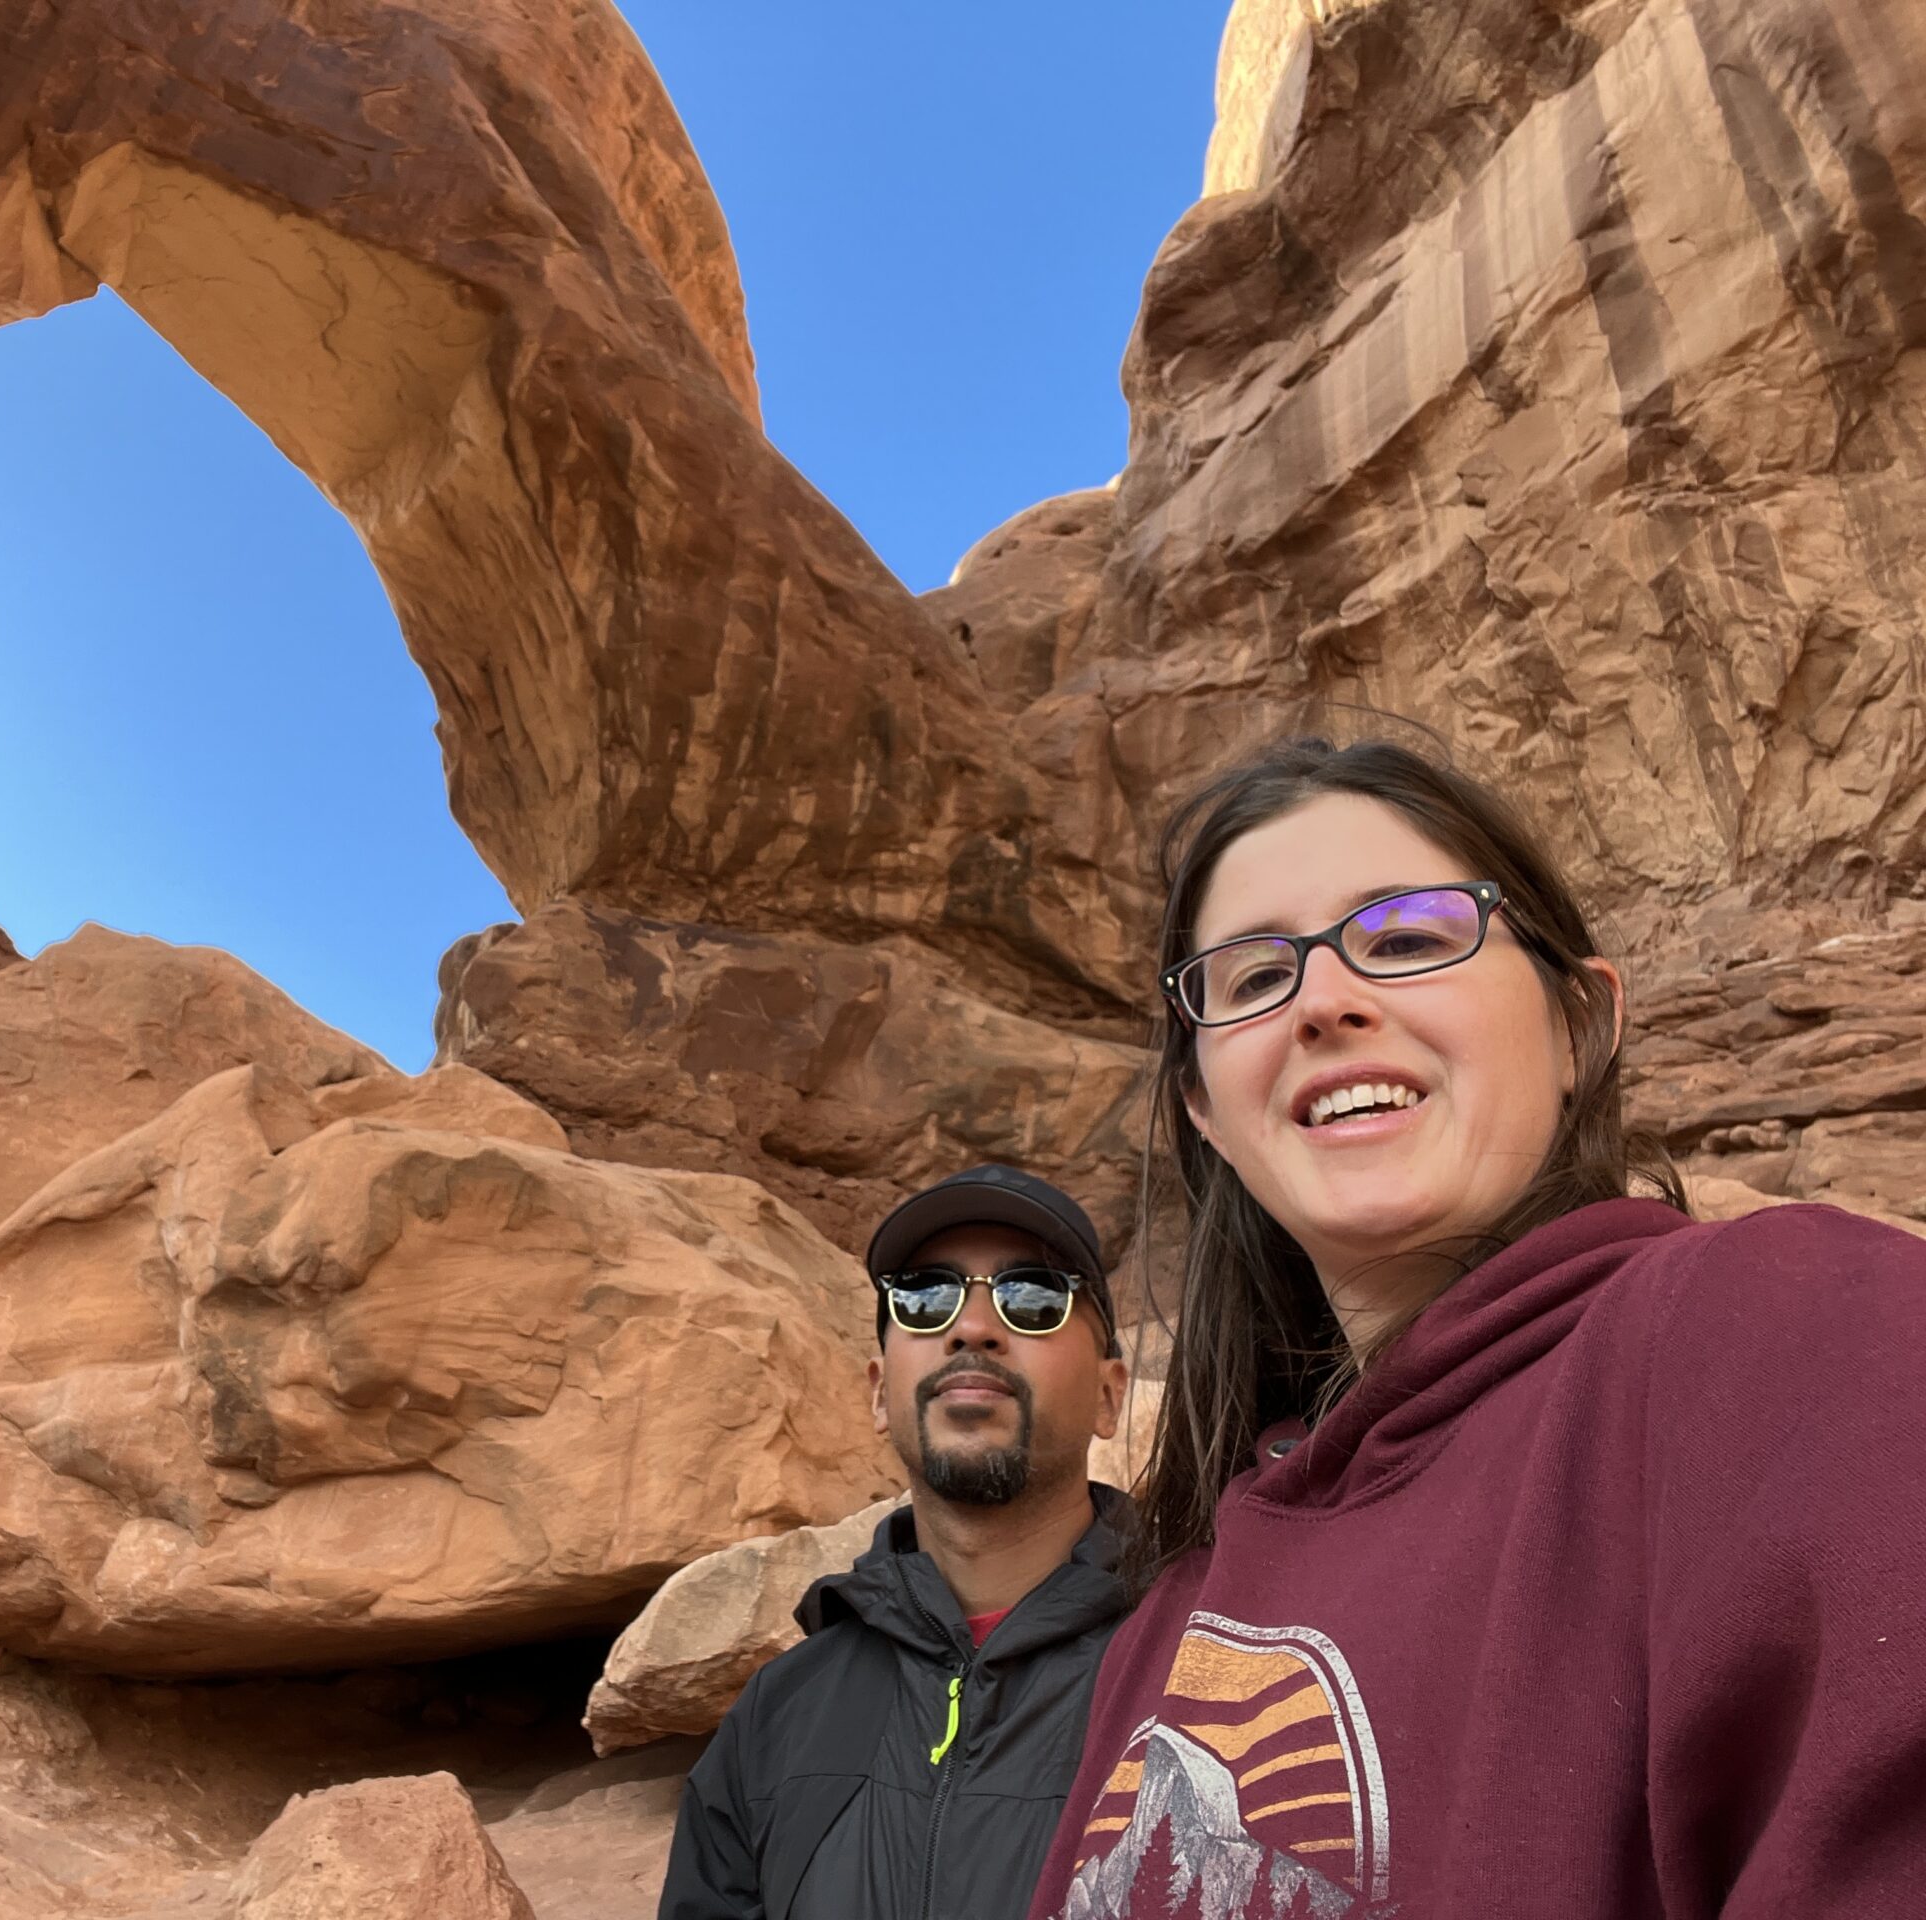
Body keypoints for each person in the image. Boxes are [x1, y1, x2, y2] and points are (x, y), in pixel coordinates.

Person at [1026, 736, 1926, 1920]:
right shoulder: (1180, 1599)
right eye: (1250, 979)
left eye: (1405, 937)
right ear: (1204, 1110)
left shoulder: (1791, 1329)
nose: (1324, 1002)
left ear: (1579, 1024)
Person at [659, 1164, 1137, 1920]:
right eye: (924, 1298)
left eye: (1033, 1297)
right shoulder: (777, 1716)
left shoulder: (1208, 1671)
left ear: (1109, 1396)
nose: (972, 1328)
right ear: (880, 1393)